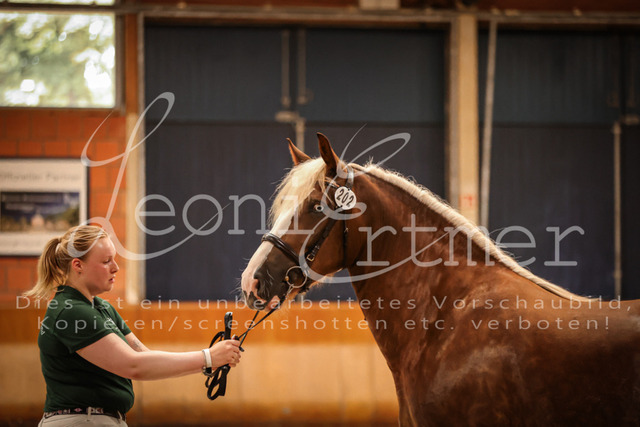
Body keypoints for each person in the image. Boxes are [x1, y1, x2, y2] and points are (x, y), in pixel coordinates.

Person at [25, 225, 241, 426]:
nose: (115, 268)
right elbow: (134, 365)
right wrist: (207, 357)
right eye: (106, 261)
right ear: (78, 265)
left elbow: (144, 356)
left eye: (114, 260)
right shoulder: (71, 310)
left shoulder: (101, 307)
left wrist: (209, 361)